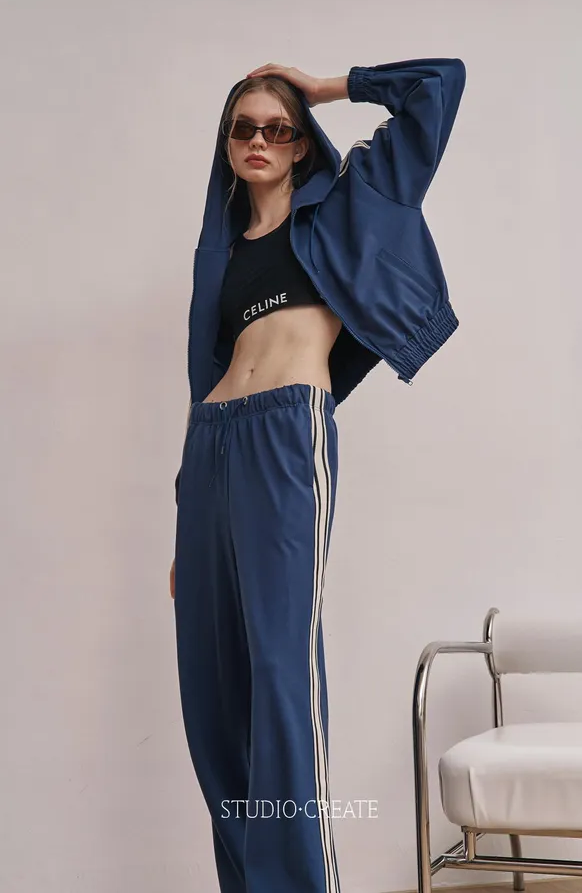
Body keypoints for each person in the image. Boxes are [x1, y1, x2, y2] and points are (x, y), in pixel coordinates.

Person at [171, 60, 466, 893]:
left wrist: (323, 87)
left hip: (283, 438)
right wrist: (185, 522)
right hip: (211, 454)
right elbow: (203, 380)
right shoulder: (221, 253)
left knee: (279, 673)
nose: (260, 140)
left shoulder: (348, 203)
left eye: (279, 127)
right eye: (245, 128)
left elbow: (439, 86)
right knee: (212, 699)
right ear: (227, 144)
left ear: (301, 142)